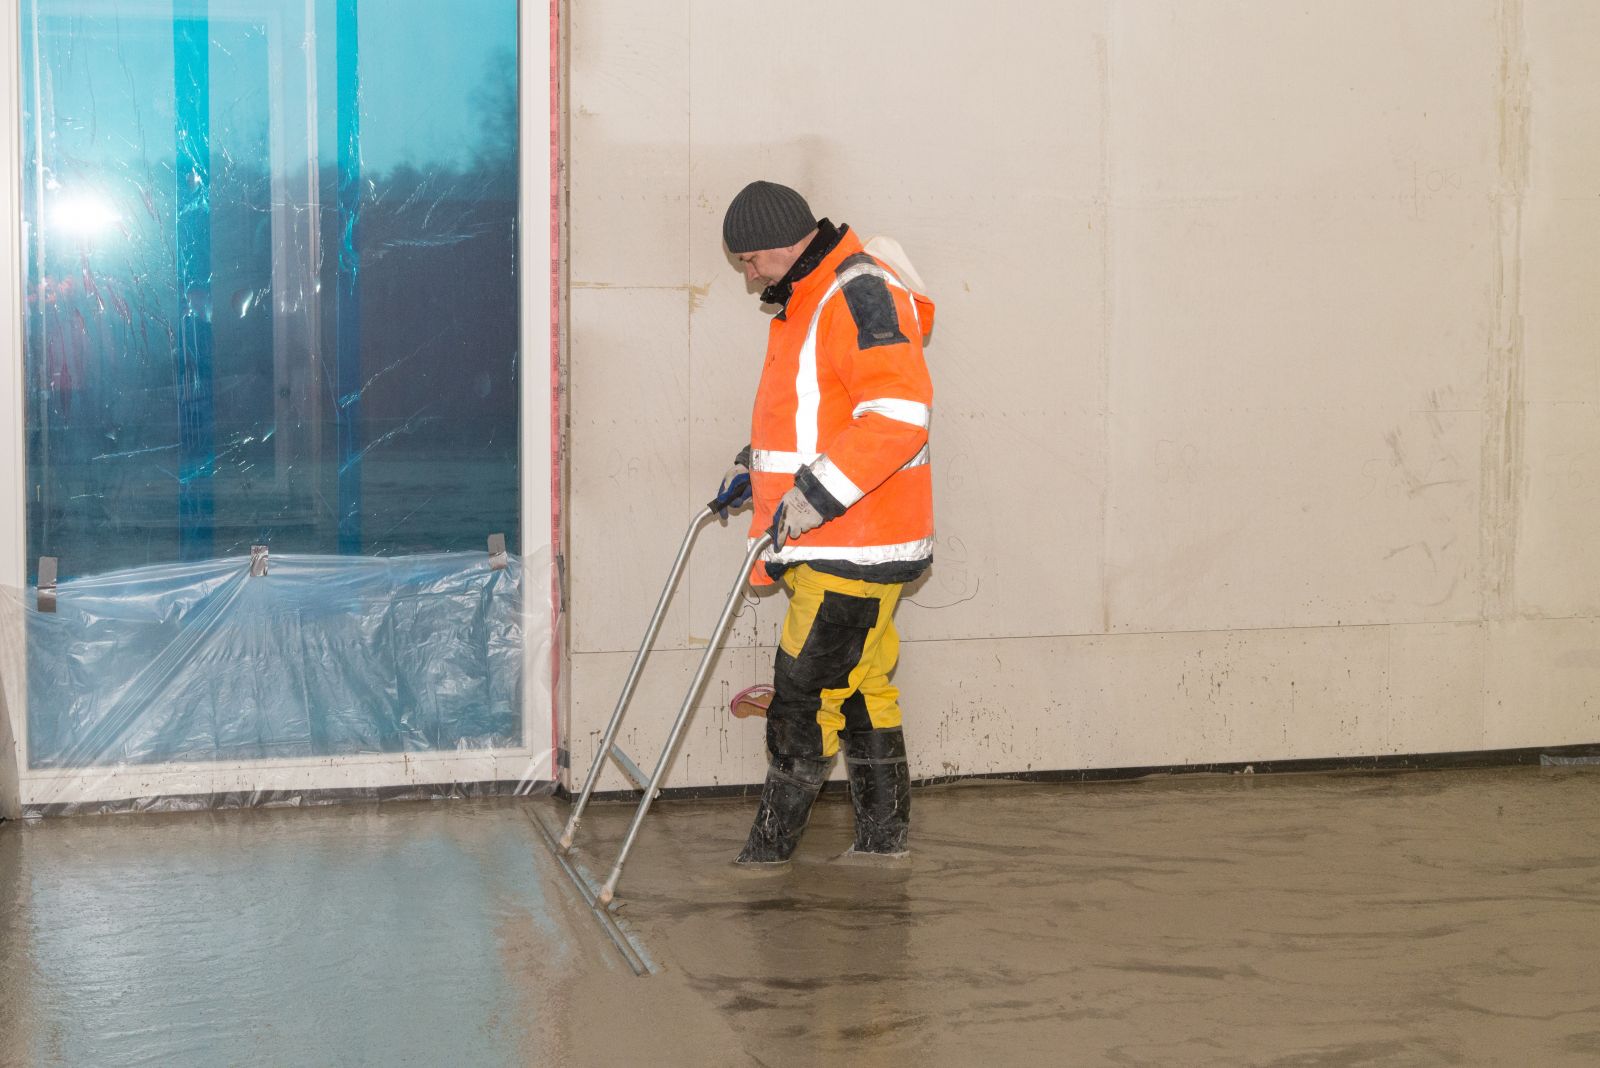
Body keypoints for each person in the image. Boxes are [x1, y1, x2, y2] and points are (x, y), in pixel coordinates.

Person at [715, 180, 936, 866]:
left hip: (853, 543)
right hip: (844, 539)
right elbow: (819, 417)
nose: (748, 273)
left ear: (786, 243)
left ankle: (768, 858)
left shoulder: (854, 294)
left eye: (750, 259)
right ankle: (882, 842)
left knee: (803, 700)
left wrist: (811, 496)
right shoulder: (808, 298)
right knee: (864, 687)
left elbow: (898, 416)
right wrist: (763, 473)